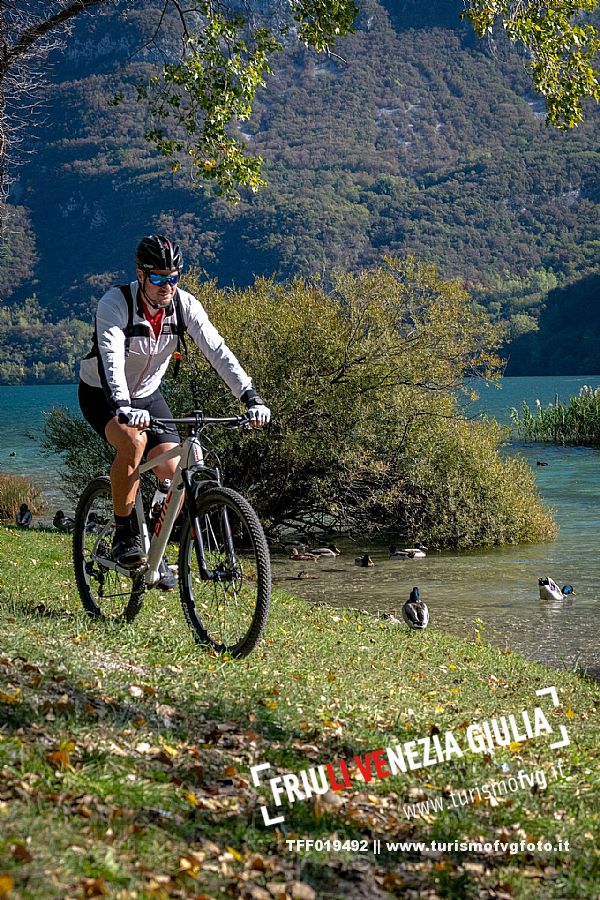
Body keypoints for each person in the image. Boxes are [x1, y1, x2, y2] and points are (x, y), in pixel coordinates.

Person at [78, 234, 270, 590]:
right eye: (158, 278)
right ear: (140, 275)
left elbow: (218, 350)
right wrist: (121, 405)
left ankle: (154, 544)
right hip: (102, 393)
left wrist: (250, 397)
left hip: (149, 395)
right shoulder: (115, 304)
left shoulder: (184, 306)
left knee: (178, 472)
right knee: (133, 444)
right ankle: (124, 534)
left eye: (173, 277)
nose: (167, 285)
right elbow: (111, 358)